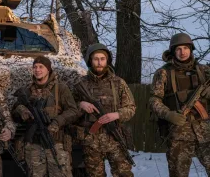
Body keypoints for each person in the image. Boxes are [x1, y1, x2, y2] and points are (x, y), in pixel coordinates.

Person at [149, 33, 210, 176]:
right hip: (179, 134)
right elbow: (154, 100)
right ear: (173, 51)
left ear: (191, 49)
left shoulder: (204, 71)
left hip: (205, 132)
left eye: (185, 48)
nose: (182, 52)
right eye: (178, 49)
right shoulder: (163, 73)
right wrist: (168, 115)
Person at [74, 43, 135, 177]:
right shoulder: (81, 83)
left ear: (107, 61)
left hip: (115, 137)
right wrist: (80, 104)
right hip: (91, 139)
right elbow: (68, 107)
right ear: (90, 60)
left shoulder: (118, 83)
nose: (99, 62)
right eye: (96, 59)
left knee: (124, 173)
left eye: (102, 59)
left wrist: (117, 114)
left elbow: (131, 108)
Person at [12, 56, 78, 177]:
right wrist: (22, 111)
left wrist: (57, 122)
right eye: (35, 67)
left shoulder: (60, 88)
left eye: (41, 67)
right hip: (34, 146)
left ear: (48, 69)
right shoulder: (27, 90)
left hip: (56, 143)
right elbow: (14, 112)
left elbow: (73, 111)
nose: (37, 70)